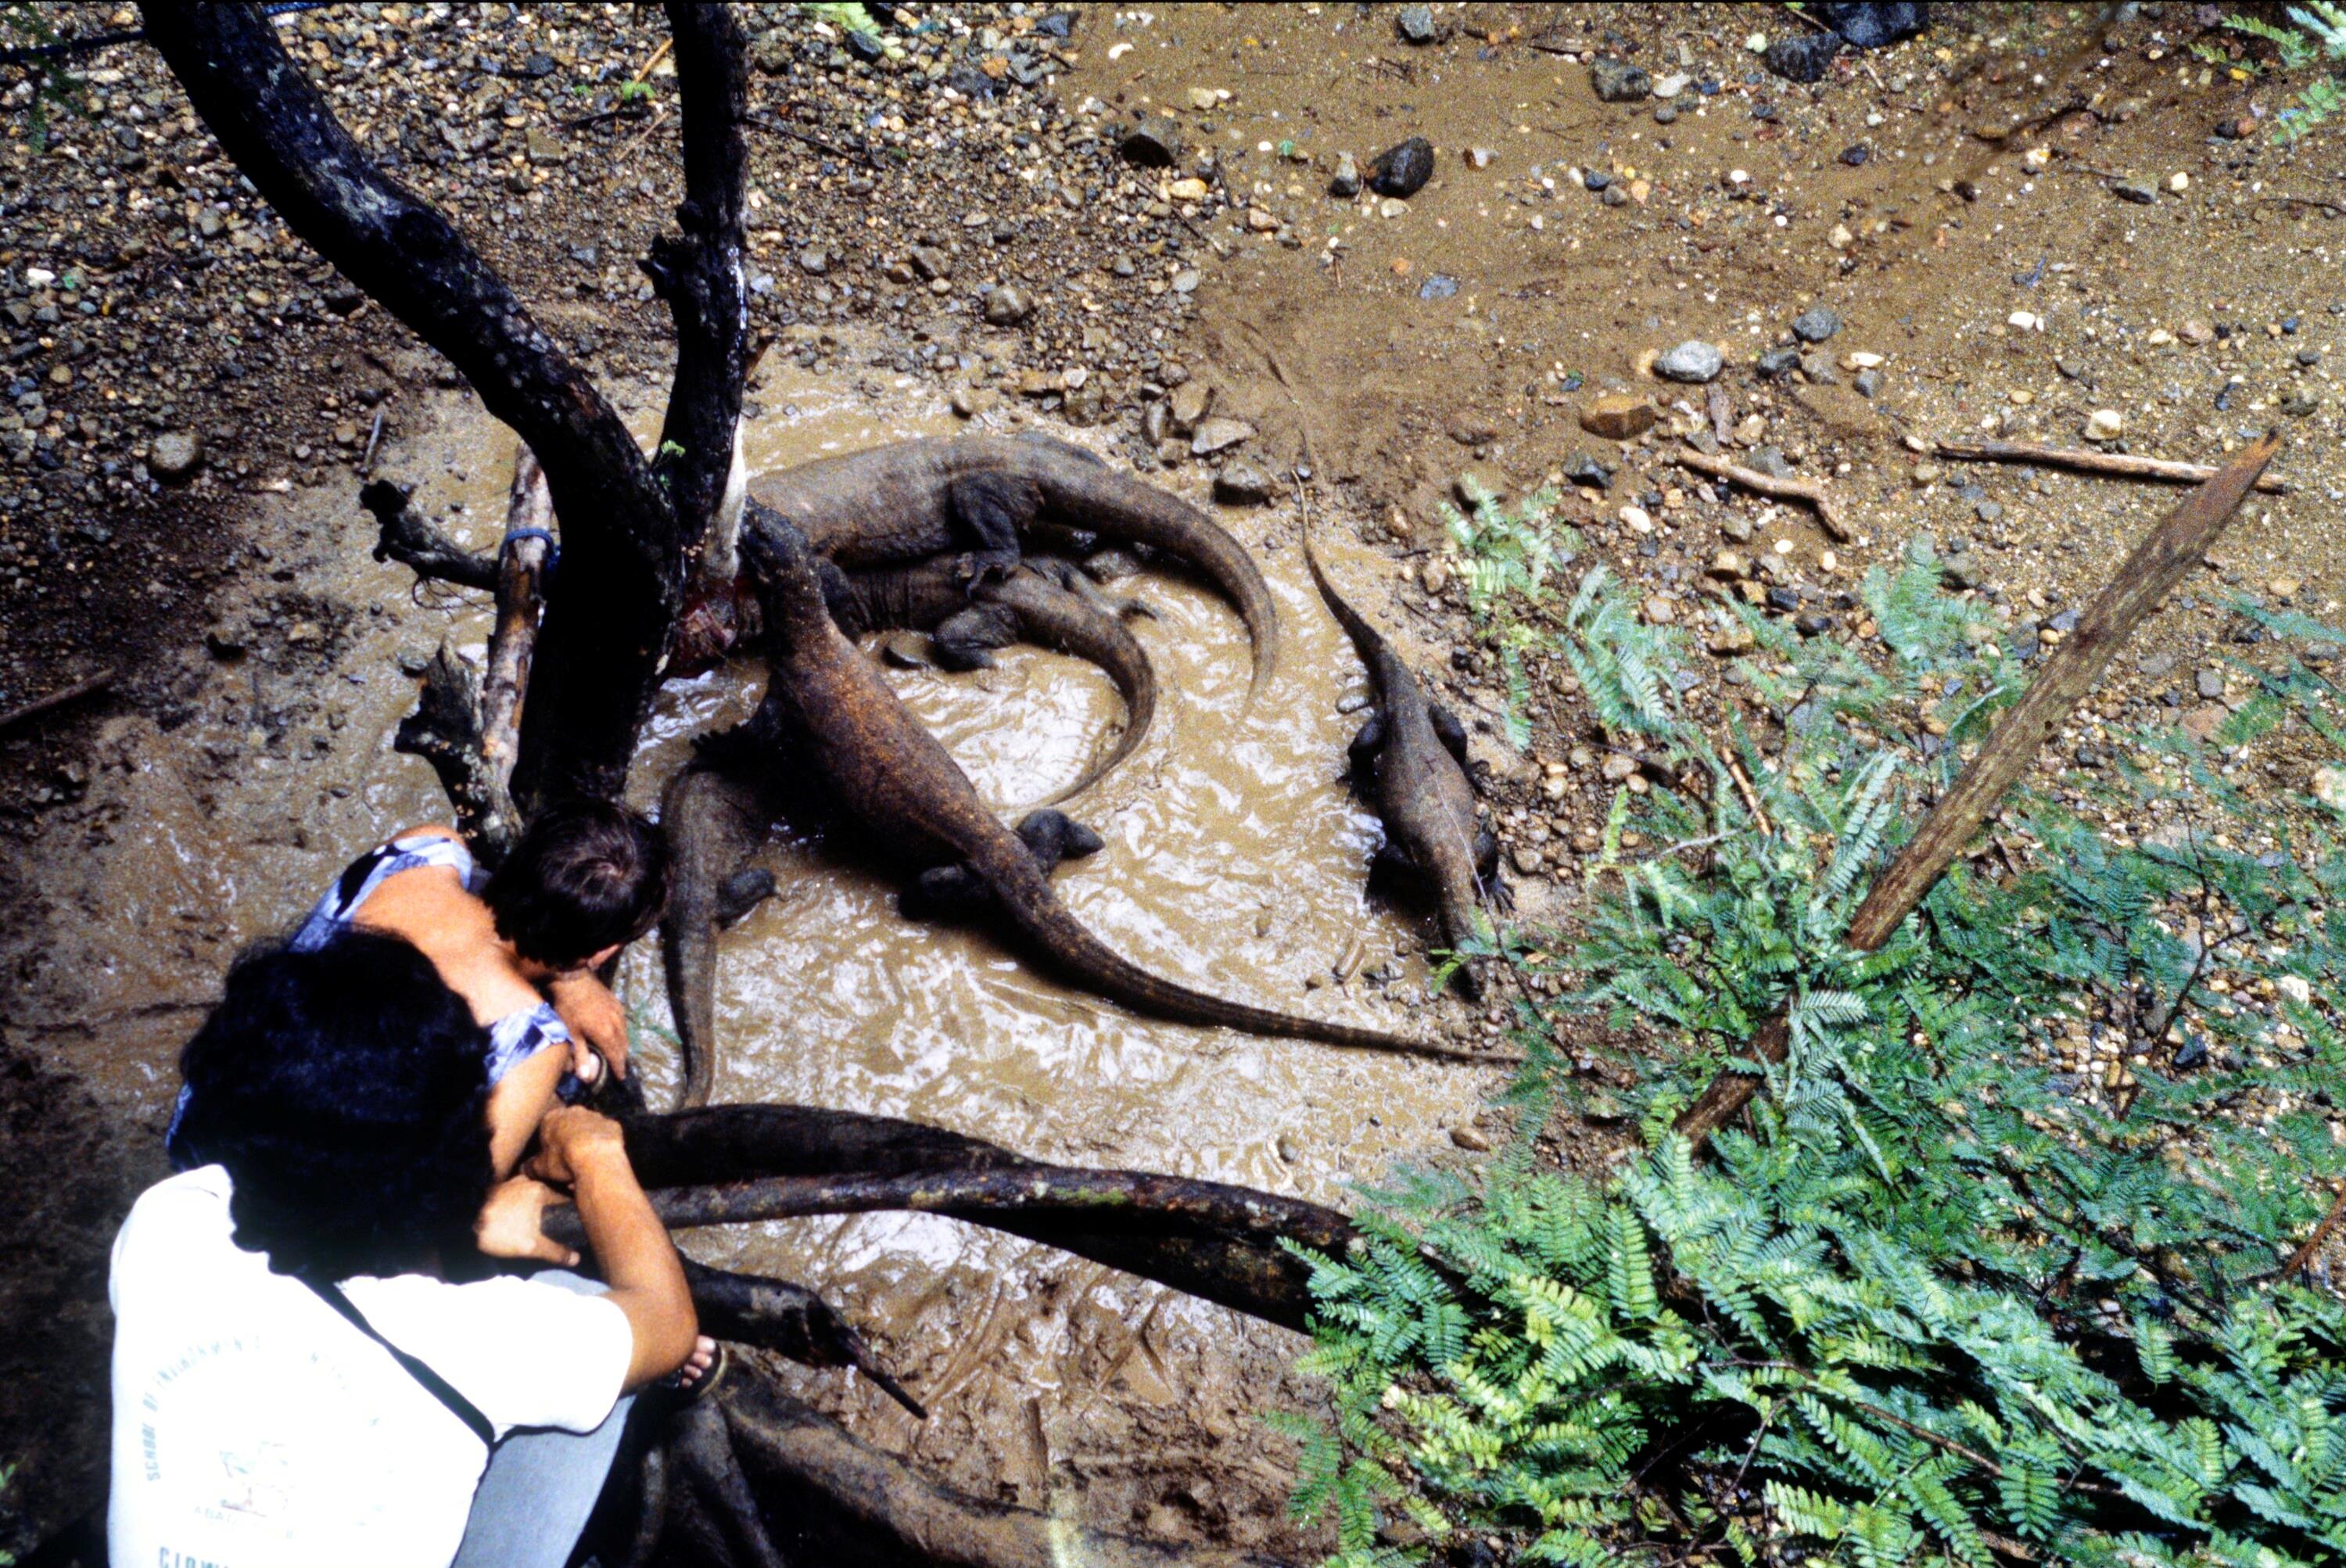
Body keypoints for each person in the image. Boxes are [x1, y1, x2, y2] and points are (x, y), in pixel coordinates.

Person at [111, 931, 714, 1568]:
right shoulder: (468, 1344)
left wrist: (461, 1216)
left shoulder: (169, 1221)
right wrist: (596, 1155)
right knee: (577, 1304)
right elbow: (669, 1322)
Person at [167, 801, 669, 1178]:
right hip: (278, 1214)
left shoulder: (426, 849)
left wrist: (571, 979)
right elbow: (463, 1197)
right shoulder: (534, 1036)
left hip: (199, 1128)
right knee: (575, 1079)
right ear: (602, 952)